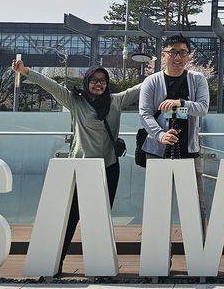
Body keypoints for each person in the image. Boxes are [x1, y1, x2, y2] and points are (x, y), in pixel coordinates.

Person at [12, 58, 140, 276]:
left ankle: (100, 265)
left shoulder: (116, 101)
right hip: (80, 167)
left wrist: (170, 67)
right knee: (71, 216)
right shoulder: (76, 101)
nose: (98, 84)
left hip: (108, 167)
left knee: (99, 216)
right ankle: (56, 262)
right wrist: (26, 72)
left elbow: (139, 89)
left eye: (102, 81)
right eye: (94, 80)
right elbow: (50, 85)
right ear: (87, 81)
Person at [138, 34, 211, 217]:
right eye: (172, 52)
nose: (177, 57)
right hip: (157, 151)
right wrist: (161, 135)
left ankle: (199, 245)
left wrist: (180, 102)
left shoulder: (197, 79)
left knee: (195, 205)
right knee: (157, 204)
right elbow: (145, 114)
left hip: (189, 151)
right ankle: (158, 246)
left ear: (188, 56)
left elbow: (203, 108)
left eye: (182, 53)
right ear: (163, 55)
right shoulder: (152, 81)